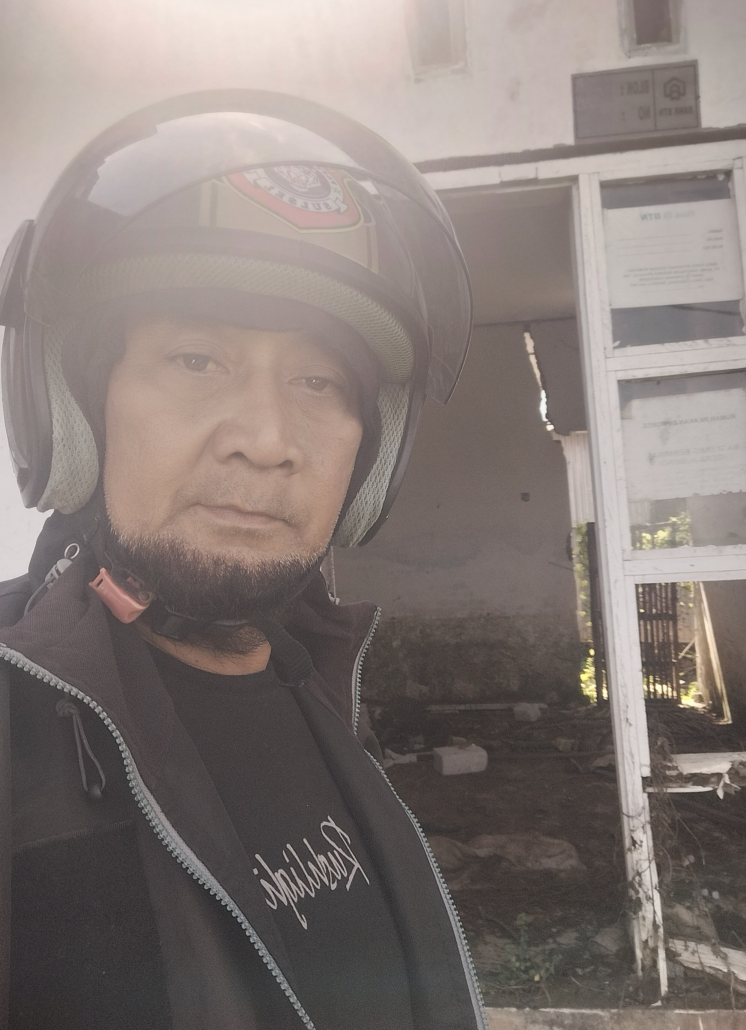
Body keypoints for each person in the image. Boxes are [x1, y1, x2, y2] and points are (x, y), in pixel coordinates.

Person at [0, 91, 486, 1030]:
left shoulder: (314, 678)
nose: (267, 440)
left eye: (318, 380)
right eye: (197, 359)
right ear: (76, 414)